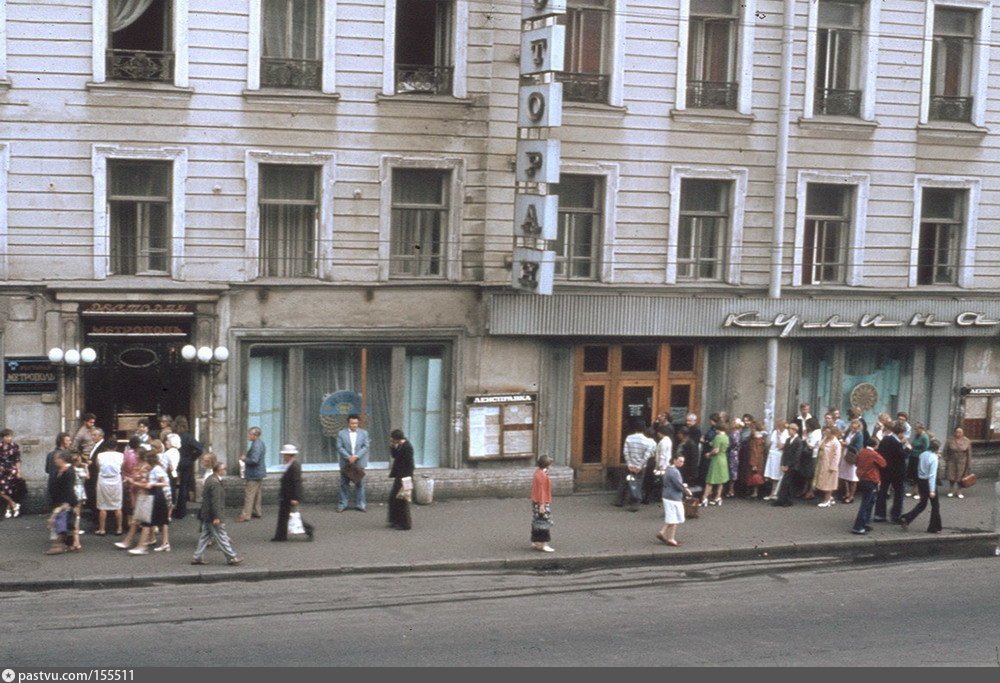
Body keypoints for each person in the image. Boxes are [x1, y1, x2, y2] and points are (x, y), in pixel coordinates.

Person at [192, 462, 242, 566]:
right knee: (221, 536)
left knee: (205, 536)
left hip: (207, 513)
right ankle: (231, 557)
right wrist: (217, 516)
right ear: (219, 470)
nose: (225, 470)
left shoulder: (211, 479)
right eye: (224, 469)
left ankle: (197, 557)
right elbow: (216, 501)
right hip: (212, 515)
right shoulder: (215, 483)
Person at [128, 448, 171, 555]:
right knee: (161, 520)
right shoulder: (154, 469)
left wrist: (152, 484)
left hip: (157, 495)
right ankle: (163, 542)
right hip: (157, 495)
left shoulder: (156, 469)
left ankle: (142, 546)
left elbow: (165, 483)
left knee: (148, 521)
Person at [898, 439, 942, 534]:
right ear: (937, 449)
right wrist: (932, 490)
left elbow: (919, 467)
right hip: (929, 483)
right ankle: (933, 527)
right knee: (935, 506)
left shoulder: (923, 454)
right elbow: (932, 475)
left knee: (922, 503)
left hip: (921, 481)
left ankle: (906, 518)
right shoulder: (934, 459)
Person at [272, 444, 314, 542]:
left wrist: (295, 498)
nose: (283, 457)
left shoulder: (294, 466)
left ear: (289, 455)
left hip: (290, 495)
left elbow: (297, 482)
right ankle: (280, 536)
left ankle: (308, 528)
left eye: (285, 455)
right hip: (286, 494)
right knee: (284, 515)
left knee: (291, 515)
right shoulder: (289, 465)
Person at [850, 438, 887, 535]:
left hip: (862, 478)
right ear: (875, 445)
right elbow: (883, 464)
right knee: (866, 504)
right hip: (871, 479)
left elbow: (856, 462)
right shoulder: (874, 454)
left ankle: (865, 523)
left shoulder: (861, 451)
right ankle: (858, 527)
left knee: (869, 502)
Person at [615, 420, 654, 511]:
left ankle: (620, 501)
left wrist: (629, 463)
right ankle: (634, 504)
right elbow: (646, 455)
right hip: (640, 467)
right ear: (644, 429)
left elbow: (625, 452)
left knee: (624, 482)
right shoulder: (647, 441)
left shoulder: (629, 438)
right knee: (637, 484)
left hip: (629, 465)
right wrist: (639, 466)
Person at [46, 451, 78, 554]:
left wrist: (67, 503)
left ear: (62, 459)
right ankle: (66, 543)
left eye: (56, 458)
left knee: (61, 521)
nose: (54, 460)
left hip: (65, 501)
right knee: (60, 521)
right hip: (58, 500)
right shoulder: (59, 470)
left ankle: (58, 545)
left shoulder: (69, 471)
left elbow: (69, 488)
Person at [874, 422, 907, 523]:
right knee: (899, 494)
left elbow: (880, 452)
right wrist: (907, 449)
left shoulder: (885, 439)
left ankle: (879, 514)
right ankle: (895, 515)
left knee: (882, 492)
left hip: (885, 470)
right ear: (900, 433)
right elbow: (901, 456)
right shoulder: (897, 443)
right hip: (897, 472)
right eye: (903, 433)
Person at [657, 453, 692, 547]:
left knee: (672, 517)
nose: (682, 463)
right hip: (674, 497)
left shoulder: (668, 469)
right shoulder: (675, 472)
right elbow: (678, 485)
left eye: (683, 461)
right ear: (674, 460)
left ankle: (662, 532)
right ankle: (671, 539)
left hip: (667, 495)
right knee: (676, 517)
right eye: (680, 461)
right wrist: (686, 490)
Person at [336, 415, 370, 512]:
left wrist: (356, 456)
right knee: (344, 484)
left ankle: (360, 505)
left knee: (359, 484)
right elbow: (339, 447)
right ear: (348, 423)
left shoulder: (364, 433)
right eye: (352, 423)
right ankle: (343, 504)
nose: (354, 425)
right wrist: (348, 457)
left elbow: (366, 446)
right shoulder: (341, 433)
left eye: (356, 423)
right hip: (346, 463)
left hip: (358, 462)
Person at [172, 416, 203, 519]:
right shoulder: (188, 436)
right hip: (185, 463)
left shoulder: (172, 436)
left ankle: (170, 509)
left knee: (171, 486)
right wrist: (191, 458)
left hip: (173, 463)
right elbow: (199, 449)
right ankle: (181, 511)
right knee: (183, 487)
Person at [237, 427, 267, 523]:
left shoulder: (256, 445)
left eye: (249, 434)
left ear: (255, 435)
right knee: (257, 494)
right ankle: (257, 511)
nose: (248, 436)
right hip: (259, 472)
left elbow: (254, 460)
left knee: (249, 494)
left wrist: (244, 459)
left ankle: (246, 515)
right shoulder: (260, 443)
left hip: (254, 473)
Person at [94, 442, 124, 536]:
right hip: (116, 479)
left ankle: (102, 529)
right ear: (115, 447)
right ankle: (119, 528)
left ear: (106, 447)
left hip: (103, 479)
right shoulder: (120, 455)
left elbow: (98, 467)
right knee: (117, 505)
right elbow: (122, 467)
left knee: (102, 506)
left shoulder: (100, 455)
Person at [387, 429, 415, 531]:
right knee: (393, 498)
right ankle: (395, 520)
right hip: (399, 476)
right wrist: (392, 447)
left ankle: (405, 524)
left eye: (392, 439)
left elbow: (410, 465)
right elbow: (395, 456)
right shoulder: (399, 445)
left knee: (403, 500)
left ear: (396, 439)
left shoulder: (407, 447)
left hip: (406, 477)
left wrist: (407, 481)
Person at [772, 424, 803, 507]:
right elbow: (785, 453)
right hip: (786, 464)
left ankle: (786, 500)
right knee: (785, 483)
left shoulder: (798, 441)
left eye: (790, 430)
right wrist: (782, 464)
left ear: (794, 430)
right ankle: (783, 500)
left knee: (787, 482)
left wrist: (788, 465)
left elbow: (797, 455)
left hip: (793, 466)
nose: (789, 431)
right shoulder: (788, 440)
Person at [701, 418, 730, 506]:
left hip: (716, 459)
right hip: (723, 458)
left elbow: (716, 450)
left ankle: (704, 498)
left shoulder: (718, 437)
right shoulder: (726, 437)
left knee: (710, 480)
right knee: (721, 480)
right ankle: (718, 497)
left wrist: (709, 454)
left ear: (718, 429)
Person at [530, 454, 555, 552]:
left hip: (536, 501)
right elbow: (542, 491)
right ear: (547, 465)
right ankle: (544, 544)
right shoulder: (542, 476)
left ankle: (536, 542)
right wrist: (542, 505)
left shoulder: (537, 472)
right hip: (541, 501)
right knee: (544, 522)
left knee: (537, 521)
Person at [816, 426, 842, 508]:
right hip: (822, 463)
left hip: (829, 465)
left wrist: (833, 466)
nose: (826, 433)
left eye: (828, 432)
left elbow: (837, 455)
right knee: (823, 482)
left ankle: (826, 500)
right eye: (825, 432)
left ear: (832, 433)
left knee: (829, 483)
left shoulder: (836, 443)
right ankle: (829, 498)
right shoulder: (824, 439)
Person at [0, 428, 23, 519]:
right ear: (3, 437)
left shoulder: (14, 446)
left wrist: (18, 471)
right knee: (2, 491)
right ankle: (13, 505)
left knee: (8, 490)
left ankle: (8, 509)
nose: (9, 438)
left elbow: (17, 460)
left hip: (10, 471)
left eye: (10, 436)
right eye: (7, 436)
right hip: (1, 471)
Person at [740, 421, 767, 499]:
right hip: (760, 460)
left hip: (755, 460)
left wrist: (754, 464)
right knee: (757, 475)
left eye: (753, 429)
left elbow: (755, 451)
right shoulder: (761, 438)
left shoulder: (755, 440)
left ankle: (754, 492)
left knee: (754, 475)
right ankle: (755, 492)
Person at [839, 418, 863, 503]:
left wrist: (847, 445)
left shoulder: (859, 435)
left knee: (852, 477)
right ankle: (847, 493)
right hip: (845, 455)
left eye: (855, 426)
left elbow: (858, 448)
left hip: (852, 456)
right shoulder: (849, 432)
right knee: (844, 475)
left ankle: (851, 496)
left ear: (859, 427)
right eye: (852, 425)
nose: (853, 427)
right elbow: (844, 439)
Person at [44, 432, 72, 508]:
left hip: (52, 485)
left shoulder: (50, 454)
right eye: (68, 440)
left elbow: (47, 470)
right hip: (63, 487)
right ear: (62, 442)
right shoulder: (66, 455)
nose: (70, 442)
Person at [944, 427, 972, 499]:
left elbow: (969, 453)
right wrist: (946, 459)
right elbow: (945, 450)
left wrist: (969, 464)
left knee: (961, 476)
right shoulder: (950, 440)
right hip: (952, 460)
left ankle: (959, 490)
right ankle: (951, 489)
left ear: (963, 433)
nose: (958, 434)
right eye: (957, 432)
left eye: (960, 432)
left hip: (962, 461)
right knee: (951, 475)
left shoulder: (967, 441)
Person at [763, 418, 787, 501]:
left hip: (779, 456)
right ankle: (772, 493)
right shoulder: (775, 432)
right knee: (772, 476)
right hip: (772, 455)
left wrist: (779, 436)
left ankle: (776, 493)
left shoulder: (786, 433)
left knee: (777, 475)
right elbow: (772, 444)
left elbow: (780, 446)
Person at [907, 422, 930, 499]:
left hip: (919, 458)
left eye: (917, 429)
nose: (916, 431)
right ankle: (913, 491)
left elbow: (925, 449)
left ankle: (920, 492)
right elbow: (913, 444)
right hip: (913, 457)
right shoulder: (917, 435)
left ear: (921, 429)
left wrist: (913, 450)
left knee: (918, 475)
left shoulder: (924, 437)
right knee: (913, 474)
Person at [724, 418, 743, 498]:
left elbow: (732, 444)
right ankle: (731, 489)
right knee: (733, 470)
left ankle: (731, 490)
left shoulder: (734, 434)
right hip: (736, 453)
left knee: (731, 470)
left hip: (732, 453)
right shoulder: (739, 434)